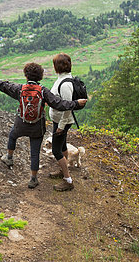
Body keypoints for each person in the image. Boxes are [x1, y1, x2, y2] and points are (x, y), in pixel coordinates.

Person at [0, 62, 87, 189]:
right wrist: (76, 103)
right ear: (41, 76)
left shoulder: (20, 88)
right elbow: (59, 104)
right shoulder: (43, 91)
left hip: (21, 124)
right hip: (37, 126)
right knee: (35, 153)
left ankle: (9, 157)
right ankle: (33, 179)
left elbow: (4, 86)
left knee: (13, 135)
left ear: (26, 75)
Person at [48, 53, 81, 191]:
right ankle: (63, 170)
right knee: (62, 147)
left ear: (57, 67)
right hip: (60, 120)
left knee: (56, 150)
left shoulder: (65, 84)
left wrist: (61, 127)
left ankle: (68, 180)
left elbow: (68, 107)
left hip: (62, 121)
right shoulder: (63, 79)